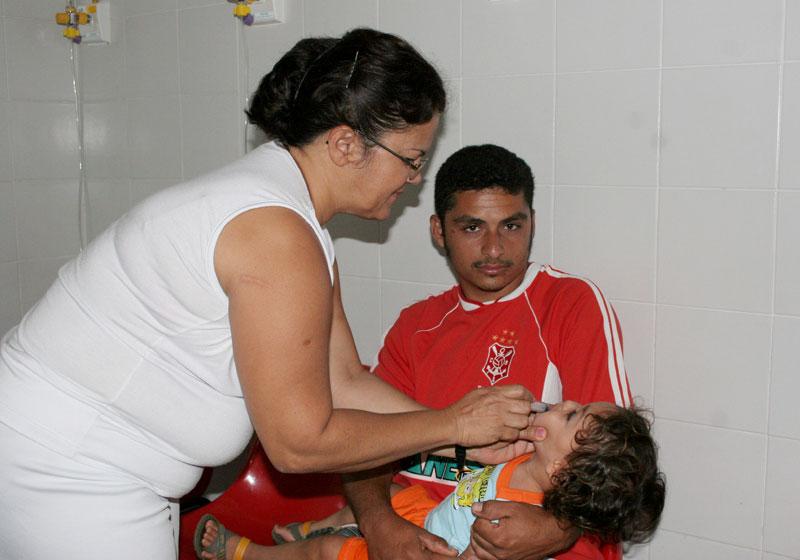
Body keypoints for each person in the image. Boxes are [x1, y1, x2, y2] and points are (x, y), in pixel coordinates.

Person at [0, 30, 536, 560]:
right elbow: (299, 443)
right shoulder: (276, 234)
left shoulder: (293, 222)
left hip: (87, 465)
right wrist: (454, 424)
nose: (416, 180)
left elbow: (344, 382)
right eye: (412, 159)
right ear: (346, 145)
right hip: (68, 467)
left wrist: (459, 441)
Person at [272, 144, 634, 560]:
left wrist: (556, 530)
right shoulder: (416, 325)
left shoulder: (569, 304)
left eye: (511, 226)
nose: (495, 249)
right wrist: (380, 524)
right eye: (472, 228)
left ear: (532, 224)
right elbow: (363, 440)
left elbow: (614, 462)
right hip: (418, 530)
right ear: (439, 231)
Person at [194, 400, 666, 560]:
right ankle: (310, 530)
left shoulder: (512, 520)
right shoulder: (529, 455)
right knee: (392, 493)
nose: (565, 403)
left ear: (560, 470)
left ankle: (245, 553)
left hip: (431, 548)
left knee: (333, 552)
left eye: (572, 415)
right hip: (432, 517)